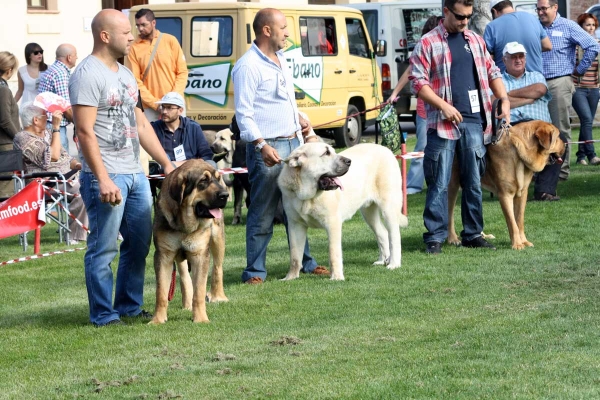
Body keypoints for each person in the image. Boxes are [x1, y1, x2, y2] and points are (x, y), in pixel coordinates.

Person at [68, 9, 175, 327]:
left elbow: (140, 122)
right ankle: (103, 314)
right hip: (106, 175)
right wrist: (102, 179)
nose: (132, 36)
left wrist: (167, 163)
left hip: (135, 173)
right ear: (105, 36)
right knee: (102, 248)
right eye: (126, 32)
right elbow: (84, 130)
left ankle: (128, 306)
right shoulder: (87, 74)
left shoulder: (126, 74)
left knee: (140, 243)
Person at [232, 8, 328, 284]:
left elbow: (285, 102)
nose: (288, 33)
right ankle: (255, 272)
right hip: (268, 149)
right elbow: (244, 114)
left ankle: (306, 264)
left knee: (297, 209)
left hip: (294, 144)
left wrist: (300, 121)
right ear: (267, 30)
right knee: (263, 210)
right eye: (284, 27)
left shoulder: (282, 59)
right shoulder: (248, 66)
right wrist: (261, 144)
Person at [409, 0, 510, 255]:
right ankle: (434, 237)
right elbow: (417, 82)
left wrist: (504, 100)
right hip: (441, 124)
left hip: (475, 121)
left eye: (468, 16)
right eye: (460, 16)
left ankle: (473, 234)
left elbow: (493, 71)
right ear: (445, 12)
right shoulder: (428, 42)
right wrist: (443, 105)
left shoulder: (475, 40)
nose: (464, 21)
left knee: (474, 182)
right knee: (439, 183)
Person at [534, 0, 600, 200]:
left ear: (555, 8)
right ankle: (540, 172)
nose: (541, 12)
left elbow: (592, 46)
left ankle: (561, 174)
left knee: (560, 129)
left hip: (559, 82)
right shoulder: (536, 26)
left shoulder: (568, 26)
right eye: (538, 8)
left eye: (544, 8)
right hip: (537, 84)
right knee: (539, 130)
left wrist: (579, 71)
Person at [13, 103, 88, 244]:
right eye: (45, 116)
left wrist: (78, 165)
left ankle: (112, 231)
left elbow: (65, 156)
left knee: (95, 183)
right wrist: (56, 128)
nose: (48, 118)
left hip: (64, 179)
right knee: (83, 190)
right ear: (36, 120)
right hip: (41, 185)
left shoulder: (47, 133)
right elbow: (53, 156)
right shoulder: (22, 138)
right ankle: (74, 236)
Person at [388, 15, 441, 195]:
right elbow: (409, 72)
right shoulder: (423, 49)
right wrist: (394, 93)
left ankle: (443, 182)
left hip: (442, 108)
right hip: (424, 110)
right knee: (421, 148)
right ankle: (413, 184)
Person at [125, 8, 188, 122]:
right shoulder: (133, 47)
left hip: (175, 104)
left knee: (180, 138)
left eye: (144, 25)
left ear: (153, 23)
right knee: (152, 139)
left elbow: (182, 72)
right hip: (150, 108)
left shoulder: (170, 40)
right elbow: (135, 81)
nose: (140, 29)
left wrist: (172, 99)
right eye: (138, 25)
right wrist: (155, 104)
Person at [484, 0, 552, 74]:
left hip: (506, 82)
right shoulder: (533, 18)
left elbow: (488, 60)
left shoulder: (491, 27)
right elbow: (548, 46)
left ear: (494, 11)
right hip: (536, 80)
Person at [151, 92, 213, 168]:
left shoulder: (193, 127)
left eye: (169, 107)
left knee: (211, 164)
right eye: (163, 107)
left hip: (192, 171)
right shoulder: (154, 128)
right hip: (166, 172)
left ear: (180, 111)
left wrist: (179, 164)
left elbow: (207, 155)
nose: (164, 111)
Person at [38, 44, 78, 153]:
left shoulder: (53, 69)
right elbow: (64, 106)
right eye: (75, 55)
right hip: (54, 125)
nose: (77, 58)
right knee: (62, 163)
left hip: (48, 123)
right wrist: (79, 124)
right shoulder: (61, 73)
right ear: (69, 57)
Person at [572, 13, 600, 166]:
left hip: (594, 89)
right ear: (581, 27)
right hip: (578, 88)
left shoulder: (598, 44)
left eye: (593, 25)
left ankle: (580, 155)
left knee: (585, 122)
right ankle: (592, 154)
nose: (590, 28)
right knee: (587, 119)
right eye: (587, 25)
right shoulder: (576, 46)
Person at [501, 42, 552, 124]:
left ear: (525, 59)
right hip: (510, 127)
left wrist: (507, 95)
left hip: (539, 126)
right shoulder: (498, 80)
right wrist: (527, 100)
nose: (518, 60)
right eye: (513, 57)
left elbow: (540, 90)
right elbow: (495, 102)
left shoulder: (536, 76)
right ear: (504, 60)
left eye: (521, 56)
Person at [0, 51, 20, 199]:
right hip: (5, 145)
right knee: (5, 190)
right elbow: (5, 120)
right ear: (9, 70)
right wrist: (20, 137)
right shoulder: (3, 90)